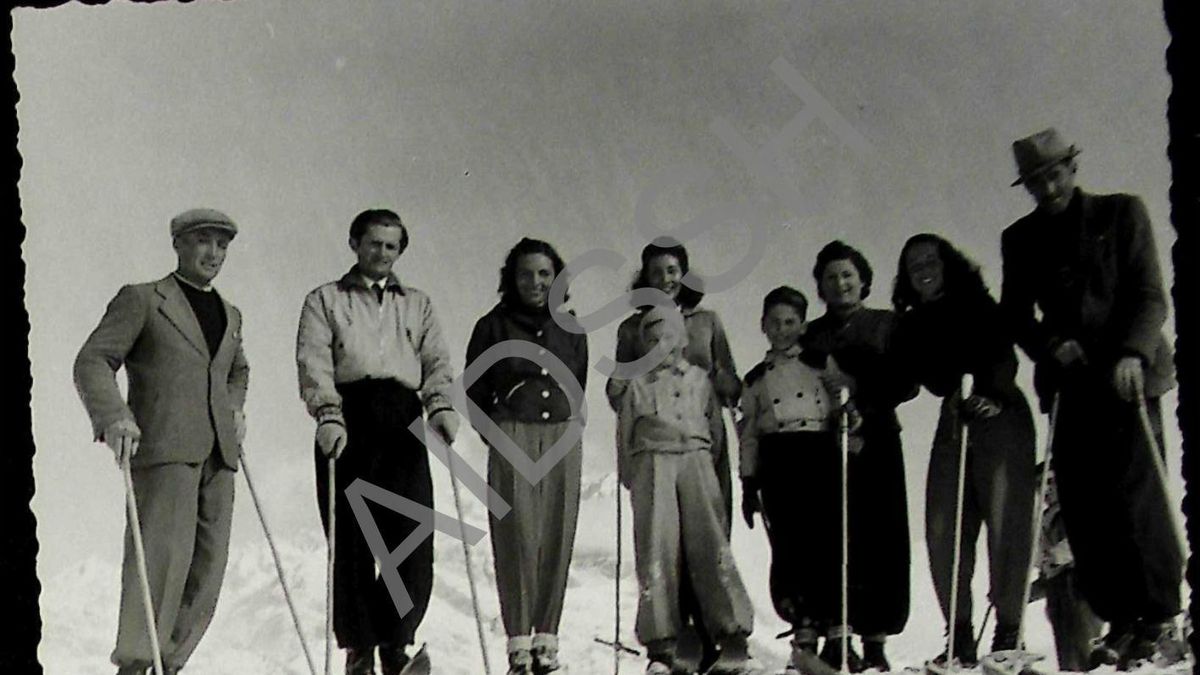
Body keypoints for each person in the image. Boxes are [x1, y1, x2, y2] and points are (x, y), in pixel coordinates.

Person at [999, 128, 1182, 669]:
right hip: (1071, 383)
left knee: (1137, 498)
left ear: (1073, 169)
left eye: (1055, 174)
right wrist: (1052, 345)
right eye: (1036, 181)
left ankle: (1160, 618)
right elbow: (1015, 315)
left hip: (1126, 378)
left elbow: (1150, 293)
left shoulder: (1121, 213)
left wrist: (1133, 352)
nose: (1049, 187)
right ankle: (1122, 623)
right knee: (1085, 507)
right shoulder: (1021, 238)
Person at [74, 208, 249, 675]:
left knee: (207, 573)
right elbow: (93, 359)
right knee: (159, 564)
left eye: (222, 245)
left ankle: (170, 664)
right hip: (165, 448)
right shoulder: (144, 300)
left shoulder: (230, 314)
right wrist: (115, 417)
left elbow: (236, 369)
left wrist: (234, 408)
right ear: (179, 245)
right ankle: (134, 665)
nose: (214, 253)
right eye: (203, 242)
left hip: (220, 455)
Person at [295, 208, 457, 675]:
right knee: (352, 538)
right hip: (350, 417)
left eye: (391, 246)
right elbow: (314, 360)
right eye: (373, 243)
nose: (382, 253)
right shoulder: (325, 300)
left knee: (410, 534)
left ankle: (395, 642)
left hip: (403, 418)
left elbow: (436, 359)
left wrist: (441, 404)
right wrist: (327, 413)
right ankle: (359, 649)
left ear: (400, 250)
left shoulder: (417, 303)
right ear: (355, 245)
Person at [890, 234, 1037, 667]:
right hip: (955, 417)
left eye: (930, 260)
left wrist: (992, 392)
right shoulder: (915, 323)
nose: (923, 269)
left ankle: (1008, 631)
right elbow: (922, 379)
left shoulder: (977, 302)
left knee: (1005, 519)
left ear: (948, 263)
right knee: (943, 524)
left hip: (999, 412)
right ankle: (959, 635)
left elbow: (1002, 358)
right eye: (913, 264)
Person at [605, 240, 740, 674]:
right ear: (645, 278)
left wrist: (722, 382)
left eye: (673, 269)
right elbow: (621, 397)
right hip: (654, 441)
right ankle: (669, 642)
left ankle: (719, 637)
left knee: (708, 537)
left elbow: (728, 382)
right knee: (661, 541)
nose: (666, 278)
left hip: (700, 438)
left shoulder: (706, 322)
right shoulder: (631, 330)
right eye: (657, 271)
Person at [464, 238, 588, 675]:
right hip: (512, 432)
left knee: (558, 529)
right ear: (511, 280)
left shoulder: (571, 328)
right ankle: (518, 641)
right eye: (525, 274)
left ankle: (547, 640)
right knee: (517, 534)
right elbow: (473, 391)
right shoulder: (492, 326)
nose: (535, 283)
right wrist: (496, 436)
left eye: (544, 274)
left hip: (562, 436)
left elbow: (578, 383)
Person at [616, 305, 759, 675]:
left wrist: (709, 469)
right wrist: (633, 477)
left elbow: (713, 427)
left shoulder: (699, 379)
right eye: (651, 339)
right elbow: (625, 433)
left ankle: (731, 633)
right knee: (656, 546)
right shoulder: (637, 385)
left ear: (682, 340)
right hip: (653, 460)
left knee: (708, 542)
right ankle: (661, 643)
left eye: (667, 337)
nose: (660, 346)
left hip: (694, 458)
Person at [801, 240, 917, 672]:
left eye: (847, 274)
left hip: (878, 437)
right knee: (834, 533)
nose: (840, 283)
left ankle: (876, 639)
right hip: (828, 441)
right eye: (830, 278)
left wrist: (860, 389)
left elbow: (906, 382)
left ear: (863, 279)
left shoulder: (888, 324)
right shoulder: (812, 334)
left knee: (880, 535)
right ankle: (838, 633)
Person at [737, 286, 864, 673]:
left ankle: (839, 633)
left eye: (790, 321)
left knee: (828, 540)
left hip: (818, 451)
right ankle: (804, 629)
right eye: (774, 322)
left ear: (803, 324)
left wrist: (848, 413)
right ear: (762, 326)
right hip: (779, 456)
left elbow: (846, 403)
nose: (782, 329)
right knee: (790, 544)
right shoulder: (757, 377)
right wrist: (748, 482)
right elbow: (750, 434)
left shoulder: (820, 362)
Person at [1030, 463, 1102, 672]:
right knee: (1067, 650)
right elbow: (1045, 565)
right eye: (1040, 485)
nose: (1045, 489)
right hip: (1058, 590)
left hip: (1080, 587)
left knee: (1082, 650)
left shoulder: (1078, 508)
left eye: (1052, 482)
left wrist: (1055, 556)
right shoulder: (1046, 519)